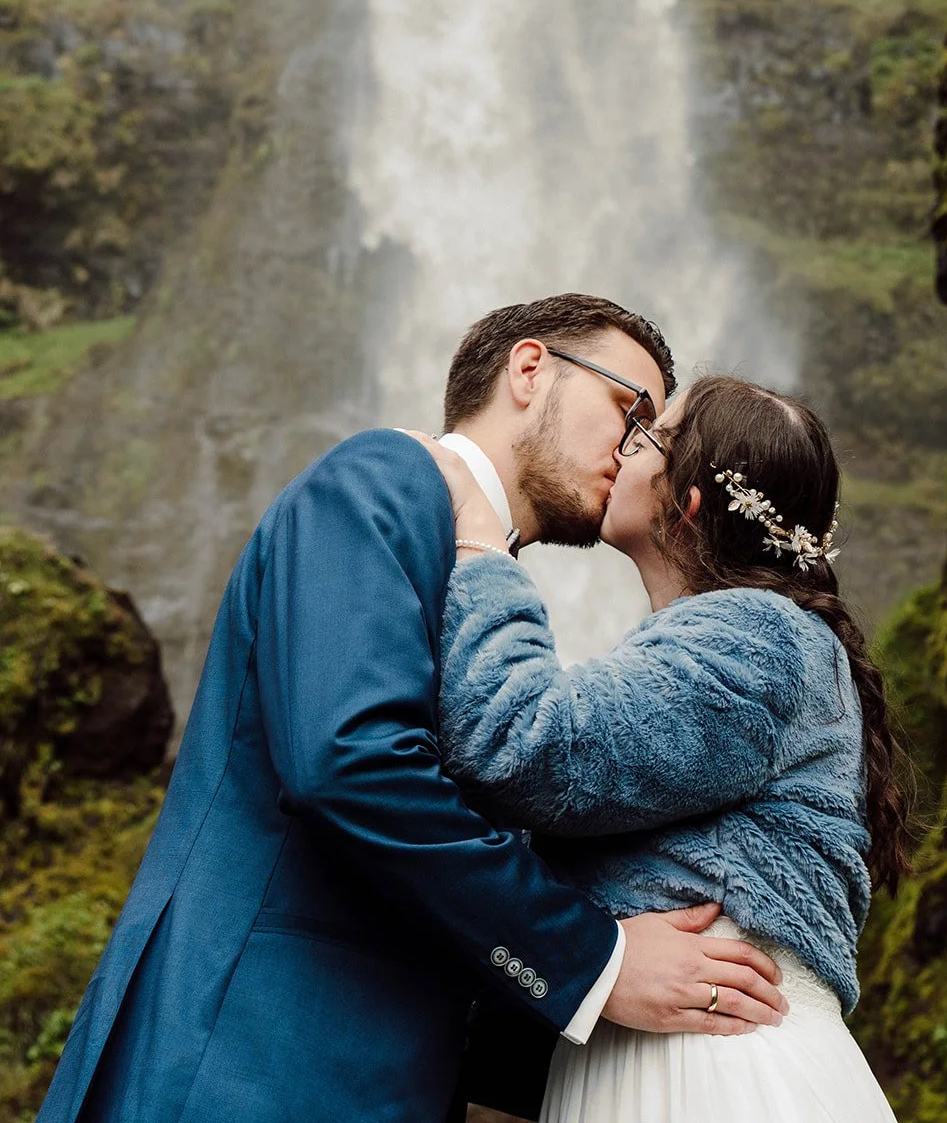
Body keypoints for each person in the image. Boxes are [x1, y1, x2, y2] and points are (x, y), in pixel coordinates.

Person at [37, 296, 786, 1123]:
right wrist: (596, 960)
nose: (639, 449)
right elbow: (348, 759)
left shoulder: (493, 597)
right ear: (529, 370)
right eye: (627, 409)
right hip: (250, 1056)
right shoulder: (383, 477)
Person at [417, 370, 912, 1122]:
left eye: (647, 435)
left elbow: (532, 749)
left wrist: (482, 548)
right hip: (668, 1052)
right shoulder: (743, 648)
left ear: (686, 502)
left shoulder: (760, 638)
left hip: (712, 1067)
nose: (621, 444)